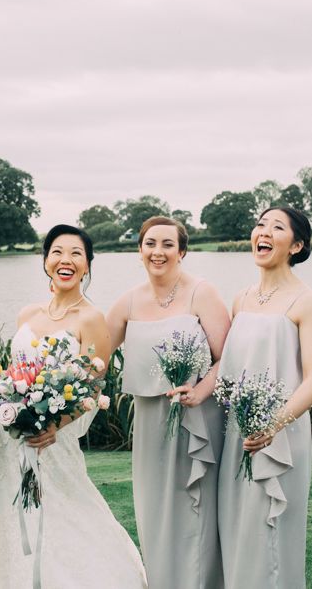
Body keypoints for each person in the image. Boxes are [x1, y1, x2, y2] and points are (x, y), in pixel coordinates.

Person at [0, 224, 147, 589]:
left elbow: (93, 386)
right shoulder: (27, 314)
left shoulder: (91, 319)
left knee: (65, 511)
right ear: (45, 262)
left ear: (87, 266)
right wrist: (10, 408)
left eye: (76, 254)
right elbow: (13, 372)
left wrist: (54, 425)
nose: (66, 260)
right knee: (4, 516)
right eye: (57, 252)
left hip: (51, 441)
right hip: (5, 437)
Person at [106, 216, 230, 588]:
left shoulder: (201, 293)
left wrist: (201, 390)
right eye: (150, 244)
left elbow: (229, 356)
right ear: (140, 250)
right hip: (150, 422)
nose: (157, 252)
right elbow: (93, 358)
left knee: (198, 511)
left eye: (167, 245)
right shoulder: (127, 301)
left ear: (182, 251)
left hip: (199, 417)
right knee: (155, 510)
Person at [216, 206, 312, 588]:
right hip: (238, 436)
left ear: (297, 245)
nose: (264, 232)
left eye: (277, 227)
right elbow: (226, 367)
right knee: (238, 532)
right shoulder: (240, 299)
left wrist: (272, 426)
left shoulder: (305, 300)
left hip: (282, 436)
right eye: (260, 225)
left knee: (271, 538)